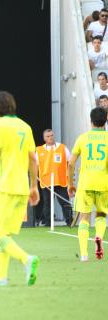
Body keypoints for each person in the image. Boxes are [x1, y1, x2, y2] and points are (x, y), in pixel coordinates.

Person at [0, 91, 40, 288]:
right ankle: (1, 277)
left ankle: (25, 259)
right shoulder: (25, 126)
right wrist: (34, 186)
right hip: (22, 187)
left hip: (5, 187)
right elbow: (32, 158)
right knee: (5, 234)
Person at [68, 107, 108, 262]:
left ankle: (84, 254)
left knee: (84, 218)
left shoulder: (82, 138)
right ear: (105, 120)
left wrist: (70, 183)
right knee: (100, 215)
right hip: (103, 184)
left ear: (91, 121)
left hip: (85, 183)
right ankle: (98, 236)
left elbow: (71, 164)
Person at [35, 129, 73, 227]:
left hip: (61, 181)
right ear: (44, 138)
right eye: (47, 136)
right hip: (46, 182)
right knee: (47, 203)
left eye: (51, 135)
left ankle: (70, 222)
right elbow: (35, 165)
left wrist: (71, 178)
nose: (50, 138)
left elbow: (70, 163)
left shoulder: (62, 148)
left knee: (64, 201)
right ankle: (48, 223)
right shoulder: (39, 150)